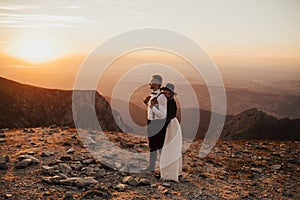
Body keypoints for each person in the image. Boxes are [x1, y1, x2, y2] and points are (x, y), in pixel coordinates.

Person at [142, 75, 168, 172]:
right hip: (151, 122)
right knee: (152, 145)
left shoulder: (161, 97)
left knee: (159, 146)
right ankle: (153, 167)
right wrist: (147, 104)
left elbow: (162, 114)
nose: (150, 83)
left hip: (158, 123)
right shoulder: (153, 95)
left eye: (152, 81)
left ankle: (162, 168)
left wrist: (152, 107)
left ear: (157, 84)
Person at [160, 83, 182, 182]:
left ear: (171, 94)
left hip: (171, 125)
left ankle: (169, 174)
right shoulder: (169, 101)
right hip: (172, 124)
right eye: (165, 92)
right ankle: (172, 171)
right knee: (171, 148)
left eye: (168, 93)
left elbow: (169, 116)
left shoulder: (170, 102)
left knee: (170, 148)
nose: (166, 94)